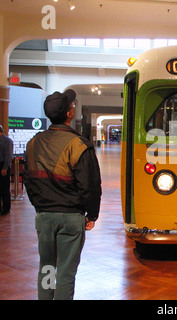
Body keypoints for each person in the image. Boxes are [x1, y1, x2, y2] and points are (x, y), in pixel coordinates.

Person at [23, 89, 102, 300]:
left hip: (45, 217)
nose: (73, 108)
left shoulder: (33, 144)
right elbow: (90, 184)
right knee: (66, 272)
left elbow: (28, 180)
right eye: (72, 106)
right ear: (69, 114)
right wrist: (92, 214)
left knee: (47, 267)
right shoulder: (79, 145)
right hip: (70, 217)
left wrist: (40, 206)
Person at [0, 124, 13, 216]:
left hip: (3, 165)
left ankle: (6, 208)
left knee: (4, 188)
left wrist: (5, 168)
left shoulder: (7, 141)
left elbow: (8, 156)